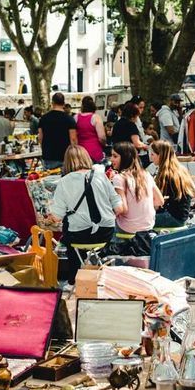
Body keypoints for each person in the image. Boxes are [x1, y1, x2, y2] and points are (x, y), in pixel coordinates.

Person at [49, 145, 122, 281]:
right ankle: (95, 268)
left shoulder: (64, 182)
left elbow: (57, 217)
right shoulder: (101, 176)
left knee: (68, 231)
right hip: (106, 232)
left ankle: (74, 277)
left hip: (80, 236)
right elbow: (118, 207)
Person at [109, 141, 162, 237]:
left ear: (125, 157)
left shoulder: (119, 178)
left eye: (115, 156)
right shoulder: (146, 174)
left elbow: (122, 208)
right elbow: (159, 201)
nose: (111, 159)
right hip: (148, 226)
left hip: (127, 228)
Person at [149, 139, 195, 227]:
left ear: (161, 155)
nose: (151, 158)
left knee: (139, 221)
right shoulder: (181, 169)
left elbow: (157, 203)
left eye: (152, 154)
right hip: (182, 217)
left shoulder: (165, 174)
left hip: (172, 218)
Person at [36, 92, 77, 171]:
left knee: (48, 181)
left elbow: (40, 137)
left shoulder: (44, 118)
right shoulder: (69, 119)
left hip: (48, 155)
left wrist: (44, 148)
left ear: (52, 103)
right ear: (64, 103)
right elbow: (73, 139)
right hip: (65, 156)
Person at [75, 96, 107, 162]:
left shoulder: (76, 117)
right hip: (94, 151)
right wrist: (104, 144)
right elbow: (102, 137)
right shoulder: (96, 117)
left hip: (80, 151)